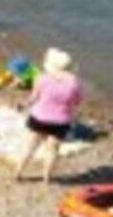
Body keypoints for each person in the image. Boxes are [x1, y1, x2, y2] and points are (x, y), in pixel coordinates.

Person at [15, 48, 83, 183]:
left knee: (31, 146)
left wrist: (22, 105)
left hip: (39, 117)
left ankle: (18, 173)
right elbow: (77, 102)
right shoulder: (74, 83)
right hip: (61, 121)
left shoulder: (42, 78)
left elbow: (33, 98)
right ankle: (46, 178)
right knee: (52, 150)